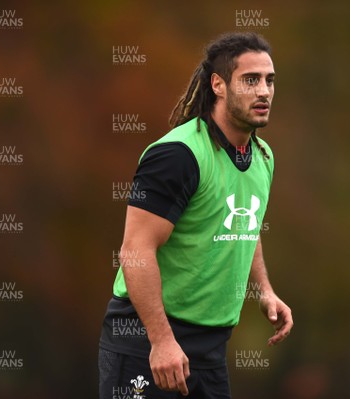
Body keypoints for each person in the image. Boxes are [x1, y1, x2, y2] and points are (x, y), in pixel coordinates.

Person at [99, 32, 293, 399]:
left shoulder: (262, 155)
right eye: (250, 80)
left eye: (269, 80)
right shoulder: (178, 155)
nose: (264, 91)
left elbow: (243, 225)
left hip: (210, 351)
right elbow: (135, 251)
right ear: (218, 85)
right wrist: (162, 341)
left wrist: (264, 290)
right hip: (146, 344)